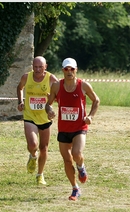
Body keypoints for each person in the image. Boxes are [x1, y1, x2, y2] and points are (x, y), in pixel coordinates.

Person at [45, 58, 100, 201]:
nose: (69, 72)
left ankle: (81, 167)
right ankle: (75, 188)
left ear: (76, 70)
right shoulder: (57, 86)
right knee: (67, 161)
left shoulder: (83, 85)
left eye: (72, 69)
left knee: (76, 153)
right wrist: (49, 111)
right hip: (63, 129)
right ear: (62, 70)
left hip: (79, 127)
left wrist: (91, 116)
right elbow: (48, 103)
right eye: (66, 69)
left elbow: (96, 100)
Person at [17, 56, 59, 185]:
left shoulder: (51, 79)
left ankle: (40, 175)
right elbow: (19, 88)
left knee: (44, 147)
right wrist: (21, 101)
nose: (38, 69)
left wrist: (52, 103)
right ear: (32, 66)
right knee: (32, 145)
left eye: (41, 67)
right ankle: (32, 156)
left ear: (45, 67)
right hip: (30, 116)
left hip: (45, 118)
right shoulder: (26, 77)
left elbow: (60, 96)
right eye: (35, 67)